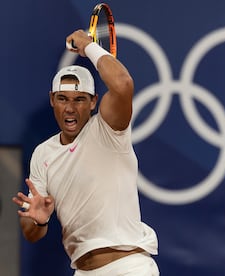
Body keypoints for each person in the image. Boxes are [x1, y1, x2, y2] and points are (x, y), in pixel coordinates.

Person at [12, 29, 159, 275]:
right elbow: (31, 233)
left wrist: (88, 46)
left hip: (129, 268)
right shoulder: (42, 153)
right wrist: (38, 219)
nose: (70, 108)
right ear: (51, 100)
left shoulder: (108, 129)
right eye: (62, 99)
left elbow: (123, 84)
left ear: (93, 102)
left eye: (79, 99)